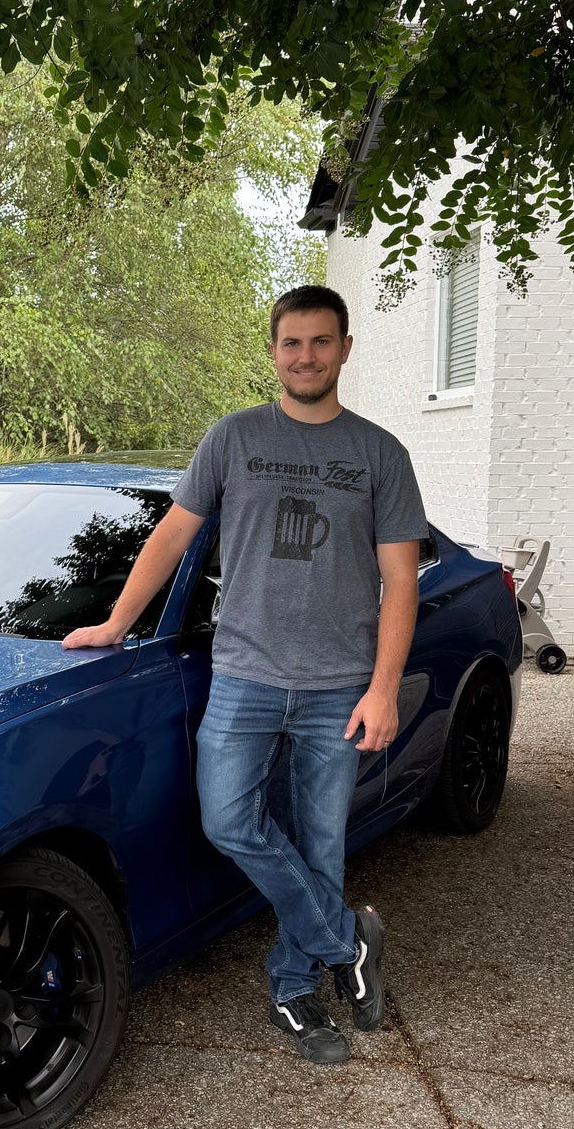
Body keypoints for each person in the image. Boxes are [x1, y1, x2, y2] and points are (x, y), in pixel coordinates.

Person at [63, 284, 426, 1065]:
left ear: (345, 348)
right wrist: (117, 622)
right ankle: (347, 942)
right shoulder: (233, 438)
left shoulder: (380, 454)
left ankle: (294, 989)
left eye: (321, 342)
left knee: (320, 842)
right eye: (291, 343)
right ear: (273, 352)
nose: (306, 356)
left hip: (340, 683)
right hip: (246, 675)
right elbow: (171, 534)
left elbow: (402, 580)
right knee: (228, 819)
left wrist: (384, 686)